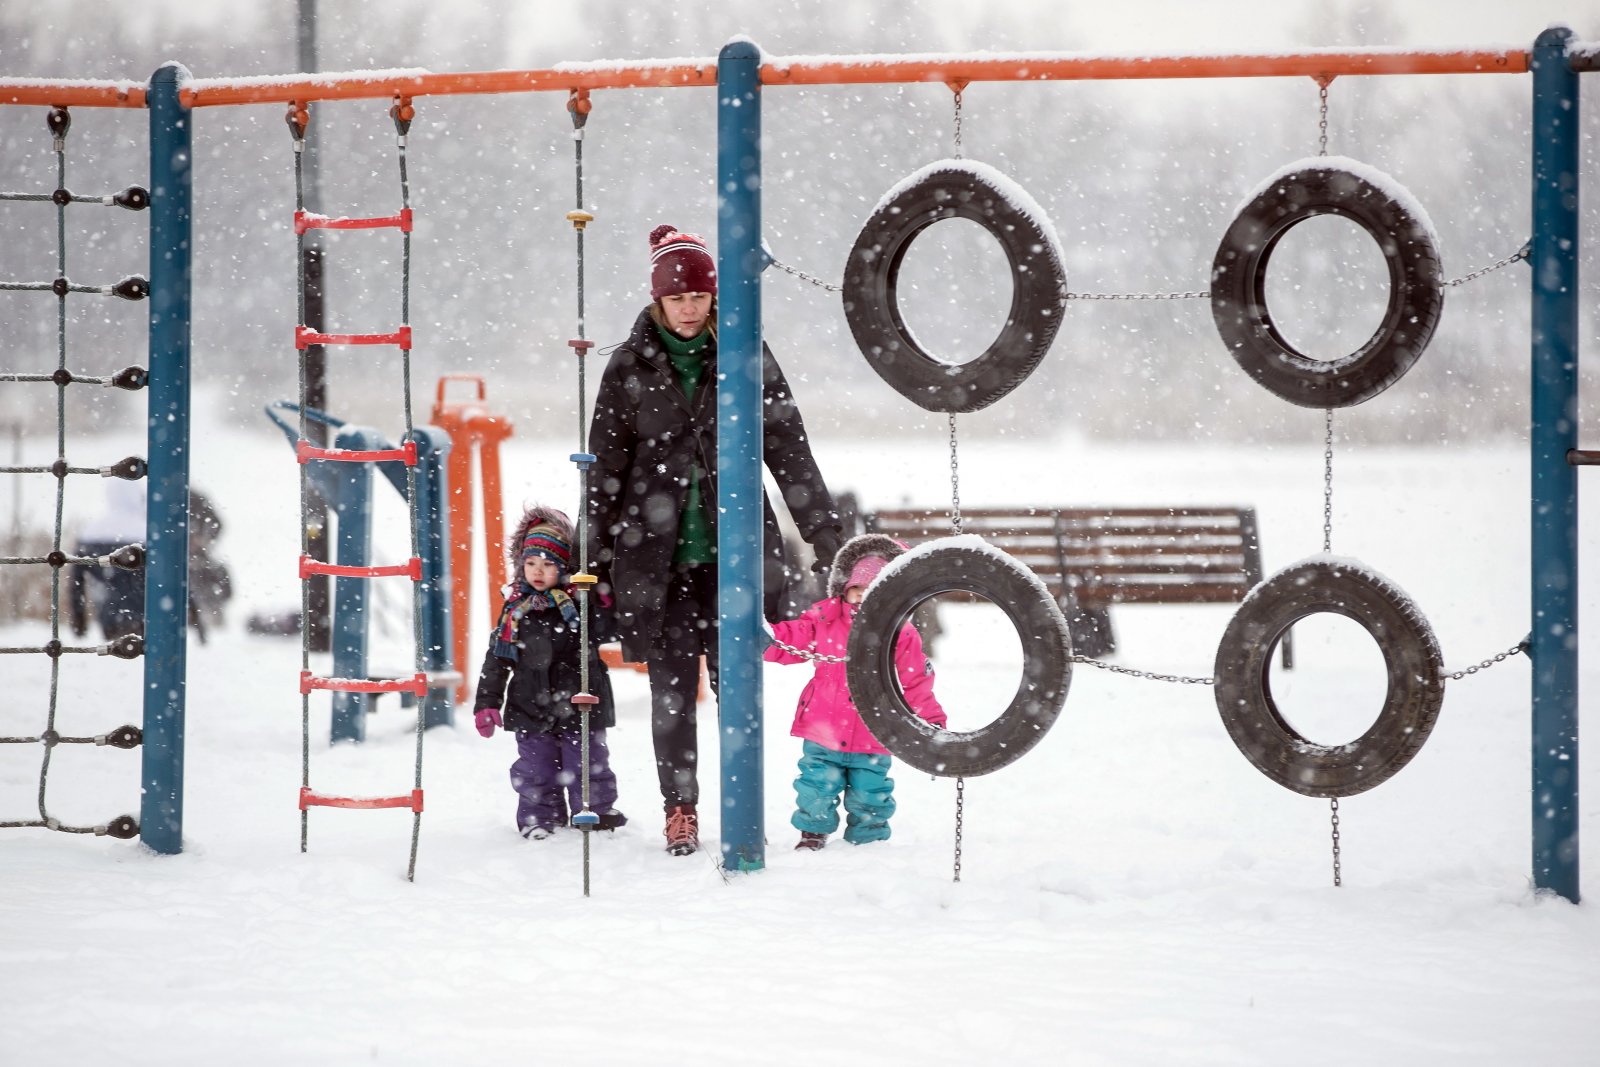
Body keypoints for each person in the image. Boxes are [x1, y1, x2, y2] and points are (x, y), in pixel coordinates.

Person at [588, 223, 843, 856]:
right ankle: (681, 809)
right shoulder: (627, 366)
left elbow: (789, 450)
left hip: (736, 561)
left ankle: (742, 799)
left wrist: (826, 535)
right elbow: (605, 474)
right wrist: (593, 565)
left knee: (741, 688)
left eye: (699, 296)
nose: (689, 309)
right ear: (658, 301)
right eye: (677, 299)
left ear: (713, 298)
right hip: (656, 562)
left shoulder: (745, 353)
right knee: (671, 694)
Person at [764, 533, 946, 849]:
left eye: (873, 593)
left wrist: (931, 723)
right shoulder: (824, 621)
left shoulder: (901, 635)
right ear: (843, 591)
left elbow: (916, 682)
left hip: (875, 734)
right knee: (816, 786)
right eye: (856, 591)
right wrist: (765, 637)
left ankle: (868, 840)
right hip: (824, 728)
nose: (862, 599)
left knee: (871, 795)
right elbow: (792, 639)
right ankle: (812, 833)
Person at [472, 505, 626, 840]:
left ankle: (596, 815)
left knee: (586, 764)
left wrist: (602, 597)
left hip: (581, 701)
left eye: (547, 564)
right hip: (530, 705)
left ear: (563, 567)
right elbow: (498, 659)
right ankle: (539, 819)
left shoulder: (580, 602)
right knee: (535, 769)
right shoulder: (515, 610)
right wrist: (487, 701)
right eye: (530, 563)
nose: (537, 572)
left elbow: (610, 631)